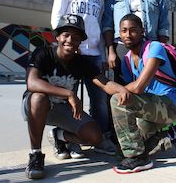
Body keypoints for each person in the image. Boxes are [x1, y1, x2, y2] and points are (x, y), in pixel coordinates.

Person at [22, 15, 131, 179]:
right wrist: (69, 93)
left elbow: (103, 82)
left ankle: (59, 136)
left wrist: (122, 90)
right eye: (65, 35)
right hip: (36, 107)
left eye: (76, 37)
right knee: (39, 97)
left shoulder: (82, 61)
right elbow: (32, 82)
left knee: (95, 137)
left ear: (80, 41)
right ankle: (35, 154)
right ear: (57, 37)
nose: (70, 40)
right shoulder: (43, 53)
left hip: (63, 109)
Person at [51, 0, 115, 156]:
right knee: (71, 98)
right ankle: (69, 139)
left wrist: (104, 56)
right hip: (73, 53)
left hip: (94, 53)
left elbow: (98, 24)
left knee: (99, 99)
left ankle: (101, 138)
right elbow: (57, 20)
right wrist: (67, 45)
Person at [110, 14, 176, 174]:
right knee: (120, 150)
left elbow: (137, 87)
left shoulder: (155, 48)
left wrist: (112, 88)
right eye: (124, 31)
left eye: (133, 30)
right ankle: (168, 134)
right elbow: (132, 94)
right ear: (119, 33)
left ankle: (138, 158)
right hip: (152, 107)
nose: (128, 35)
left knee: (117, 99)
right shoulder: (127, 59)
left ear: (142, 31)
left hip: (171, 103)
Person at [102, 0, 169, 84]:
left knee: (148, 85)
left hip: (149, 46)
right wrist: (110, 51)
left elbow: (163, 27)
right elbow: (107, 26)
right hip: (122, 46)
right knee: (122, 85)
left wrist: (162, 49)